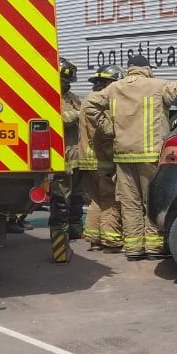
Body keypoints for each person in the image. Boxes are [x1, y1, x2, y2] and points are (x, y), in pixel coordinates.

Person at [86, 54, 177, 261]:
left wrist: (109, 128)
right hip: (151, 155)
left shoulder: (115, 88)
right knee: (152, 201)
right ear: (147, 68)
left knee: (130, 203)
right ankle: (154, 247)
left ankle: (133, 249)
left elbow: (89, 105)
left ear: (130, 68)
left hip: (123, 156)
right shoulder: (158, 86)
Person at [77, 64, 125, 252]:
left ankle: (94, 238)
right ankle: (111, 240)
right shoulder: (101, 104)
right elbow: (105, 133)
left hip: (87, 161)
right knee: (110, 200)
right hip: (102, 160)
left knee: (96, 200)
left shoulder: (88, 100)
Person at [53, 57, 87, 239]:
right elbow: (62, 120)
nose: (67, 84)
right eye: (64, 80)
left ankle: (75, 228)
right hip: (63, 156)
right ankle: (61, 232)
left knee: (77, 196)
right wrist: (78, 113)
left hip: (77, 155)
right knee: (61, 197)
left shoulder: (72, 98)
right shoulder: (49, 96)